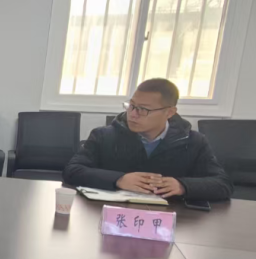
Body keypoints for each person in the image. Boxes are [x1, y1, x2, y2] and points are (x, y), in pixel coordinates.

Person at [63, 78, 232, 201]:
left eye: (144, 110)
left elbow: (222, 184)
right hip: (112, 215)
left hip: (171, 220)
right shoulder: (104, 135)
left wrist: (183, 186)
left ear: (169, 112)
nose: (133, 114)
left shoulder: (193, 142)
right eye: (131, 106)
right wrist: (119, 179)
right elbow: (72, 171)